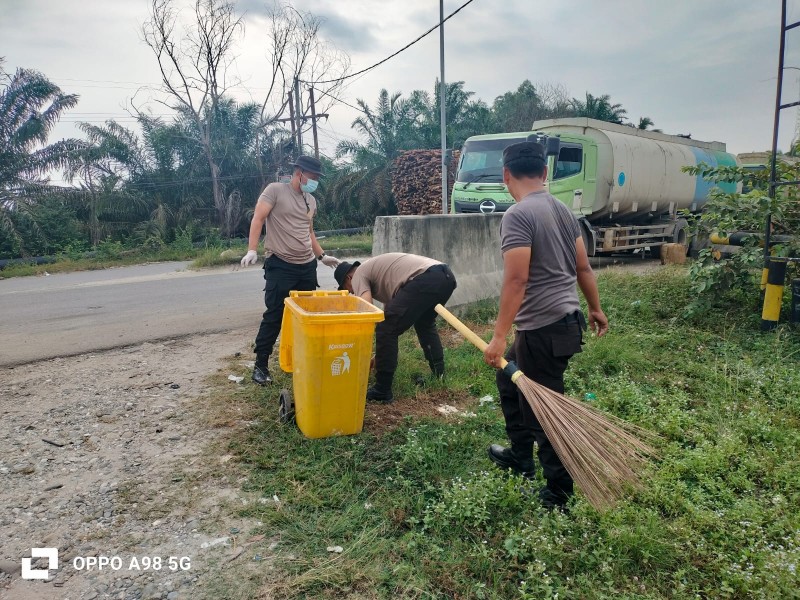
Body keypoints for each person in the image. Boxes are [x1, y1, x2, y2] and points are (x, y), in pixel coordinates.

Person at [482, 141, 609, 510]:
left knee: (544, 411)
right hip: (564, 324)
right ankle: (520, 457)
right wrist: (595, 308)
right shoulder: (562, 210)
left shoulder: (518, 215)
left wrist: (498, 336)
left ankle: (559, 492)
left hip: (542, 331)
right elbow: (583, 267)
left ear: (506, 175)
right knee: (508, 379)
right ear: (545, 173)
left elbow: (517, 280)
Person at [240, 155, 340, 385]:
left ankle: (304, 361)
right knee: (274, 315)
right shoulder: (275, 190)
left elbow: (309, 232)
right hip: (281, 264)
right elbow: (258, 218)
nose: (315, 181)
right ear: (299, 172)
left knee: (307, 316)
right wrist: (252, 249)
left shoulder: (311, 200)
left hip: (307, 266)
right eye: (313, 177)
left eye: (317, 178)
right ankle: (261, 366)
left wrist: (322, 256)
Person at [334, 252, 457, 404]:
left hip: (426, 278)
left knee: (385, 328)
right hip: (445, 277)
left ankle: (382, 389)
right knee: (424, 323)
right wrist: (379, 355)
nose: (352, 292)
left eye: (348, 289)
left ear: (348, 278)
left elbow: (367, 311)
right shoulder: (379, 272)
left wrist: (362, 351)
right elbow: (391, 313)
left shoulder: (359, 274)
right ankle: (439, 375)